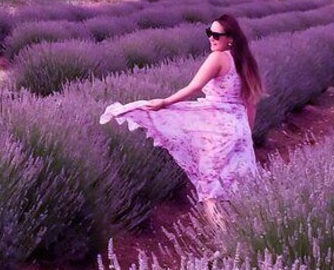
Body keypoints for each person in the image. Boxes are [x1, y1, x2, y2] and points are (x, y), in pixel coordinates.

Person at [99, 14, 264, 229]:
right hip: (239, 130)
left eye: (216, 35)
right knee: (236, 187)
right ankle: (249, 236)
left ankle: (229, 244)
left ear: (229, 38)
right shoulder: (245, 61)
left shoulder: (219, 58)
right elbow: (251, 103)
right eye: (209, 33)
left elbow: (194, 87)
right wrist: (246, 136)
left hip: (218, 132)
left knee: (209, 191)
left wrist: (165, 102)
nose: (211, 39)